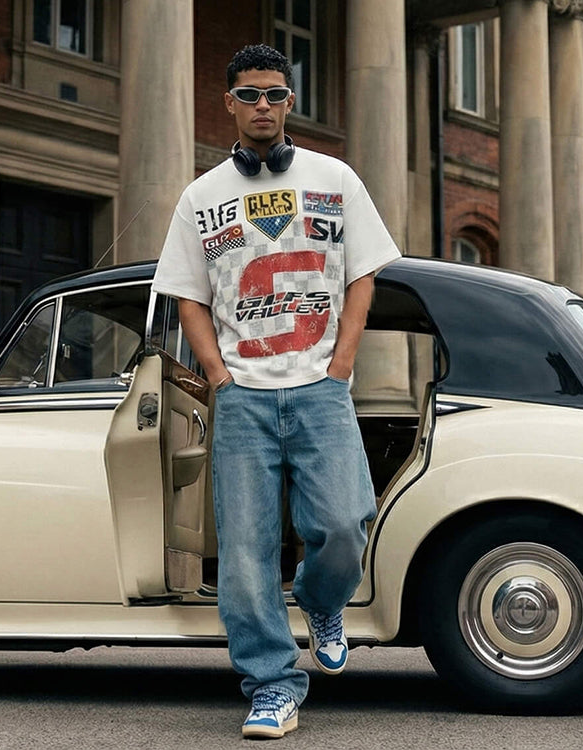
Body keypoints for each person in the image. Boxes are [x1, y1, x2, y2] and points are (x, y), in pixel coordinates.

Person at [151, 43, 400, 739]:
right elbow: (187, 298)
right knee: (245, 553)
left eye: (276, 94)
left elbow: (363, 274)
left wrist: (343, 362)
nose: (264, 106)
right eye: (250, 95)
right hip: (243, 398)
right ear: (227, 103)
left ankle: (322, 601)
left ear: (291, 102)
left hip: (321, 386)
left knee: (345, 525)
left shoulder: (336, 176)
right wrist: (219, 375)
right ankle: (270, 685)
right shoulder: (200, 197)